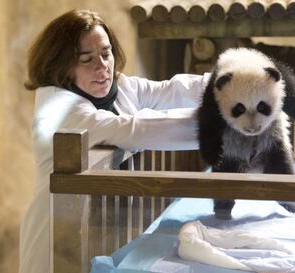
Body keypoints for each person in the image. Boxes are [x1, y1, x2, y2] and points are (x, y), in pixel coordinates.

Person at [20, 9, 209, 273]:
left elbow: (170, 90)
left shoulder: (115, 88)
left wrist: (232, 84)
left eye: (106, 54)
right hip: (58, 237)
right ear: (60, 65)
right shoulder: (58, 108)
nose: (102, 67)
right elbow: (132, 130)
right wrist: (230, 121)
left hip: (101, 237)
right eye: (86, 59)